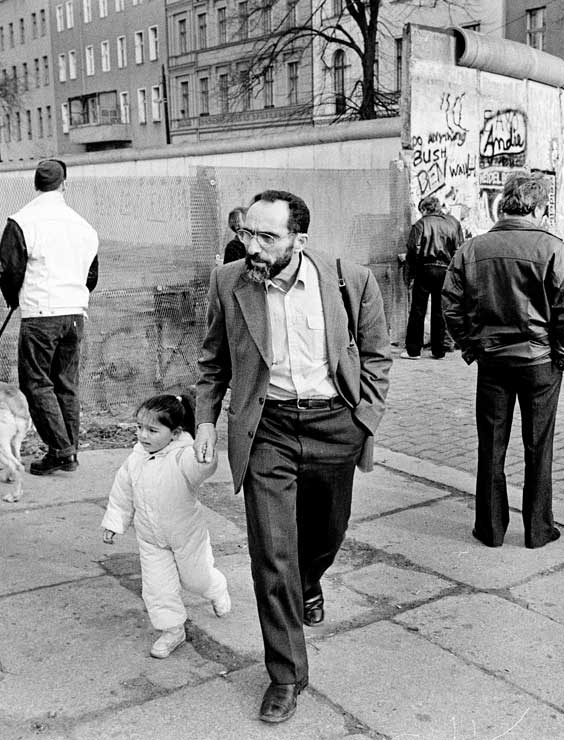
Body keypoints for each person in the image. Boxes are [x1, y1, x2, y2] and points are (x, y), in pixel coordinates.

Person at [192, 189, 391, 723]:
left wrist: (363, 419)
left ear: (299, 240)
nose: (252, 246)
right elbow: (213, 362)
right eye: (247, 233)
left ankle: (310, 580)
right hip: (268, 429)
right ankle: (285, 674)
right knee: (271, 555)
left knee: (327, 533)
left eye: (266, 237)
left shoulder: (351, 279)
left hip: (334, 424)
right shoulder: (229, 281)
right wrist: (207, 421)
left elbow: (377, 354)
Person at [442, 173, 564, 549]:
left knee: (491, 446)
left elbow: (450, 307)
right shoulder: (553, 248)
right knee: (539, 446)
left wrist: (471, 347)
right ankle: (539, 529)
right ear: (537, 208)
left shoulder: (473, 249)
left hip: (492, 361)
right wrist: (562, 354)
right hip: (539, 361)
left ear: (502, 204)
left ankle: (490, 529)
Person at [100, 392, 230, 659]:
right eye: (139, 428)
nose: (143, 436)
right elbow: (122, 491)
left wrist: (205, 457)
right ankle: (172, 630)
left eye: (152, 430)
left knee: (197, 580)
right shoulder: (135, 458)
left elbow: (199, 469)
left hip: (187, 536)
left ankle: (216, 588)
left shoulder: (183, 455)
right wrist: (115, 521)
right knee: (157, 589)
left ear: (175, 433)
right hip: (150, 540)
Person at [0, 158, 99, 476]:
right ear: (64, 183)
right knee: (66, 384)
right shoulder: (84, 226)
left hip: (41, 314)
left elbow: (10, 270)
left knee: (36, 384)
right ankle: (69, 451)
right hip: (74, 314)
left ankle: (61, 451)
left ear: (35, 184)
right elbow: (91, 275)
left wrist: (13, 298)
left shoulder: (22, 221)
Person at [401, 195, 463, 359]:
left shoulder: (421, 224)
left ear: (424, 209)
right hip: (446, 270)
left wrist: (409, 274)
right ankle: (439, 350)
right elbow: (460, 248)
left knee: (418, 310)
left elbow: (413, 249)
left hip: (425, 268)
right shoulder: (453, 223)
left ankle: (413, 350)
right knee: (439, 310)